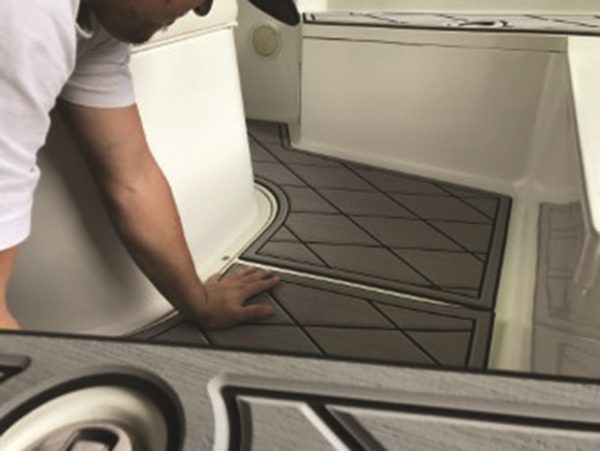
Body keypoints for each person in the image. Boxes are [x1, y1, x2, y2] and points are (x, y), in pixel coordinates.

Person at [0, 0, 279, 330]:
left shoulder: (100, 27)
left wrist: (200, 303)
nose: (203, 8)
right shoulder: (24, 15)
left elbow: (133, 180)